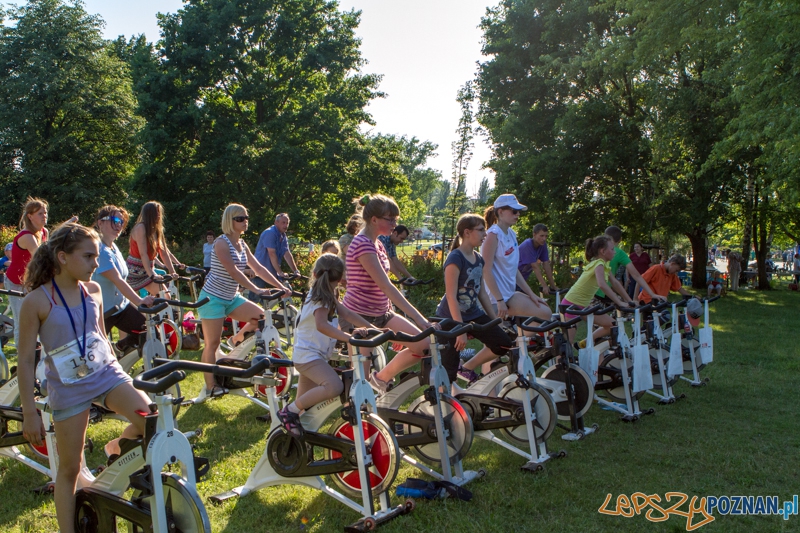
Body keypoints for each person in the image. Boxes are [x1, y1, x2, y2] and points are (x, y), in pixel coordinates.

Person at [18, 223, 150, 533]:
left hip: (106, 375)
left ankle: (116, 448)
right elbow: (24, 360)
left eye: (96, 257)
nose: (95, 263)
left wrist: (120, 377)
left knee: (152, 420)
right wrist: (29, 413)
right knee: (70, 468)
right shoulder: (36, 301)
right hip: (68, 387)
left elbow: (101, 336)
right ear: (63, 257)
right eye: (89, 256)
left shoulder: (92, 291)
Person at [339, 194, 438, 393]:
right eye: (390, 219)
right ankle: (360, 416)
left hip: (383, 314)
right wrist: (419, 318)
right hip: (359, 317)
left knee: (425, 347)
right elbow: (386, 286)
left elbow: (382, 289)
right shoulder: (362, 244)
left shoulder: (378, 243)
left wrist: (393, 314)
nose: (395, 224)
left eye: (395, 219)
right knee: (361, 384)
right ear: (374, 219)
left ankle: (382, 378)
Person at [196, 204, 291, 399]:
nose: (245, 221)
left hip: (231, 298)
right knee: (212, 344)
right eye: (240, 218)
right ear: (229, 221)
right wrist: (255, 289)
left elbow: (259, 268)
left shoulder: (242, 244)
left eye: (246, 217)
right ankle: (211, 386)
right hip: (212, 298)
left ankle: (236, 340)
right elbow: (233, 271)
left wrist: (280, 286)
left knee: (261, 318)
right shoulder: (221, 243)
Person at [276, 253, 374, 436]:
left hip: (312, 355)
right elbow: (321, 325)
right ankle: (287, 412)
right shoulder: (320, 296)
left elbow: (348, 314)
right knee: (334, 386)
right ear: (340, 276)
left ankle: (289, 437)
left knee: (304, 408)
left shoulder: (327, 293)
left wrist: (373, 329)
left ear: (314, 273)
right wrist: (348, 338)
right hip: (308, 356)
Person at [435, 214, 513, 384]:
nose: (485, 234)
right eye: (480, 230)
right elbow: (451, 296)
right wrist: (460, 330)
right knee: (449, 371)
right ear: (467, 232)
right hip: (450, 319)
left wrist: (495, 321)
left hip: (473, 315)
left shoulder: (478, 259)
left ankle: (467, 368)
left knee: (504, 343)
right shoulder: (455, 258)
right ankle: (446, 403)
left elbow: (482, 293)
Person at [6, 198, 77, 345]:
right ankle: (24, 360)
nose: (44, 216)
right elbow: (41, 256)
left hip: (32, 280)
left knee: (39, 318)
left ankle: (37, 353)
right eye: (40, 213)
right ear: (30, 216)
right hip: (16, 282)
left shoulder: (43, 231)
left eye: (45, 213)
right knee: (22, 321)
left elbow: (49, 247)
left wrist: (64, 228)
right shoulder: (27, 236)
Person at [91, 206, 155, 352]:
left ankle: (121, 348)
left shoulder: (114, 248)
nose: (119, 224)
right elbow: (118, 280)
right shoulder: (100, 250)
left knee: (148, 333)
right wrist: (139, 301)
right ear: (100, 223)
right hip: (103, 312)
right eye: (114, 220)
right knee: (96, 354)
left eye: (121, 221)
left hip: (120, 307)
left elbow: (122, 280)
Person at [481, 194, 551, 322]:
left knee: (545, 313)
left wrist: (532, 295)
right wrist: (499, 300)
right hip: (494, 299)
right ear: (500, 212)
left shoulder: (512, 234)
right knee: (497, 341)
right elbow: (486, 270)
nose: (517, 214)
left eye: (518, 211)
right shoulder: (493, 235)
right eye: (514, 211)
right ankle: (514, 338)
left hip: (509, 295)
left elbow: (514, 270)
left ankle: (517, 339)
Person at [562, 235, 631, 344]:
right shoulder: (599, 264)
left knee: (612, 325)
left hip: (584, 305)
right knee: (567, 342)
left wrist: (629, 301)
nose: (615, 252)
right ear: (603, 251)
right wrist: (619, 302)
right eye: (612, 249)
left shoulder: (604, 264)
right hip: (572, 304)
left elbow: (615, 283)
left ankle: (583, 344)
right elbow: (602, 285)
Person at [125, 201, 182, 295]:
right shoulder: (141, 228)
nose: (159, 215)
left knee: (165, 296)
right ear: (149, 214)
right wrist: (152, 274)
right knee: (132, 305)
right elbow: (143, 253)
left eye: (159, 213)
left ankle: (153, 308)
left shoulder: (157, 230)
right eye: (156, 212)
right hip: (133, 273)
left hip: (147, 271)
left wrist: (172, 272)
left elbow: (164, 253)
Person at [596, 226, 663, 304]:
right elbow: (636, 275)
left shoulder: (597, 249)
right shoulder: (619, 253)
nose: (613, 252)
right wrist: (652, 294)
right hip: (603, 291)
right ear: (620, 239)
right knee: (624, 310)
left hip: (594, 291)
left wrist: (628, 300)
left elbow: (614, 281)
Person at [517, 223, 557, 295]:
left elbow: (546, 265)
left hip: (521, 280)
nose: (544, 239)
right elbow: (535, 267)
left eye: (546, 236)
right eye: (541, 236)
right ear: (534, 235)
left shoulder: (542, 245)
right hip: (509, 279)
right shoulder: (527, 245)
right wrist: (544, 286)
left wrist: (553, 286)